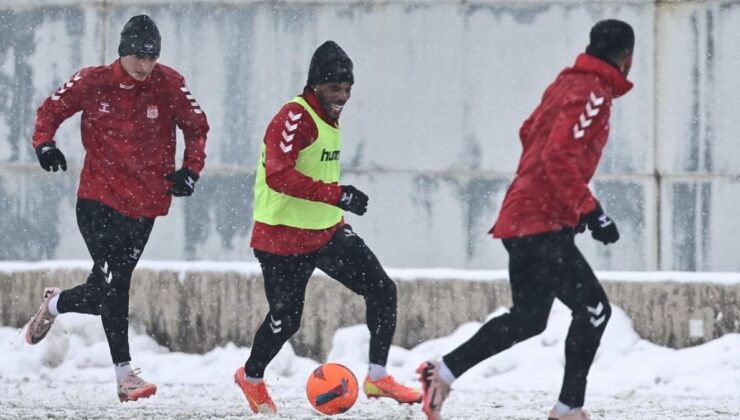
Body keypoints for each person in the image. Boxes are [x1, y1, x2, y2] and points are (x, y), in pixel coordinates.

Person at [417, 19, 634, 420]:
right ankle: (568, 408)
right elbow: (557, 156)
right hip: (539, 224)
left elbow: (529, 131)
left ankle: (441, 372)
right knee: (593, 310)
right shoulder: (593, 93)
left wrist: (562, 201)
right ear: (628, 59)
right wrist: (590, 210)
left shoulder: (566, 83)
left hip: (525, 220)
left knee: (529, 319)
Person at [25, 15, 208, 402]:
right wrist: (45, 144)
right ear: (122, 53)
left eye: (152, 57)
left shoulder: (170, 84)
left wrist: (191, 170)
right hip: (97, 201)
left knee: (103, 289)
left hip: (144, 208)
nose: (146, 66)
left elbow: (197, 126)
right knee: (116, 286)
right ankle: (125, 377)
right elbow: (51, 109)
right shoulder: (93, 81)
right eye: (139, 57)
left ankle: (55, 304)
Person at [233, 40, 421, 414]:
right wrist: (337, 194)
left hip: (326, 232)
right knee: (286, 322)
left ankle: (378, 376)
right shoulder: (294, 117)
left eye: (348, 88)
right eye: (336, 88)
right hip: (282, 237)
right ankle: (251, 377)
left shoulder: (329, 116)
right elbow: (278, 175)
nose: (343, 96)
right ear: (315, 84)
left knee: (382, 290)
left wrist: (338, 203)